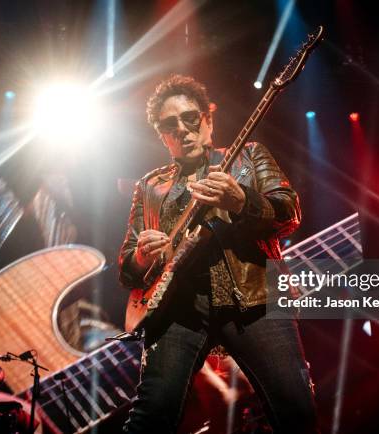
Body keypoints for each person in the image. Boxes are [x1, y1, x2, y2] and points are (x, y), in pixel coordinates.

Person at [118, 75, 318, 434]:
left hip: (255, 299)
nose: (182, 129)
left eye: (190, 118)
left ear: (208, 119)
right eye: (169, 125)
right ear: (161, 135)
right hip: (177, 310)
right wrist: (144, 257)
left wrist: (242, 201)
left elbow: (289, 212)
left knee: (296, 411)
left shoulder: (249, 156)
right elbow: (127, 268)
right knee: (151, 415)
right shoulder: (149, 186)